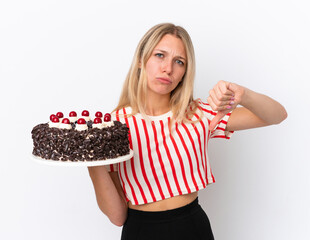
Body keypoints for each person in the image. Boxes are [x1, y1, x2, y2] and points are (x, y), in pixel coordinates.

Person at [88, 23, 287, 240]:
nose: (168, 69)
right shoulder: (112, 127)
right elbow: (118, 217)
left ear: (185, 72)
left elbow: (277, 115)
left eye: (179, 62)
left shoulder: (198, 114)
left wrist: (243, 94)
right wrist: (90, 158)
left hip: (192, 229)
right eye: (160, 55)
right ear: (140, 60)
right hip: (140, 231)